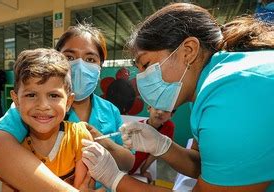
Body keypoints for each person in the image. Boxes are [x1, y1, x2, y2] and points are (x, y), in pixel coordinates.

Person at [81, 3, 274, 192]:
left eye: (146, 64)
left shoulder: (231, 95)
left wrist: (115, 179)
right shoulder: (208, 90)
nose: (142, 80)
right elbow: (206, 167)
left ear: (188, 50)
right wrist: (162, 146)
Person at [0, 23, 133, 191]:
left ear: (100, 67)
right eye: (70, 57)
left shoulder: (110, 110)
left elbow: (128, 163)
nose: (80, 66)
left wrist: (102, 140)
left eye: (90, 59)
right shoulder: (25, 110)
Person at [0, 48, 95, 191]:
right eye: (31, 95)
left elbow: (84, 186)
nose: (42, 106)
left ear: (68, 102)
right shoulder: (11, 149)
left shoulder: (80, 138)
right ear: (16, 100)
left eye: (54, 95)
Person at [128, 106, 175, 183]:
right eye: (157, 108)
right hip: (126, 165)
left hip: (137, 168)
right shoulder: (135, 128)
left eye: (166, 111)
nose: (160, 112)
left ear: (171, 115)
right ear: (149, 108)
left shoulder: (169, 127)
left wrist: (143, 170)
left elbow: (157, 152)